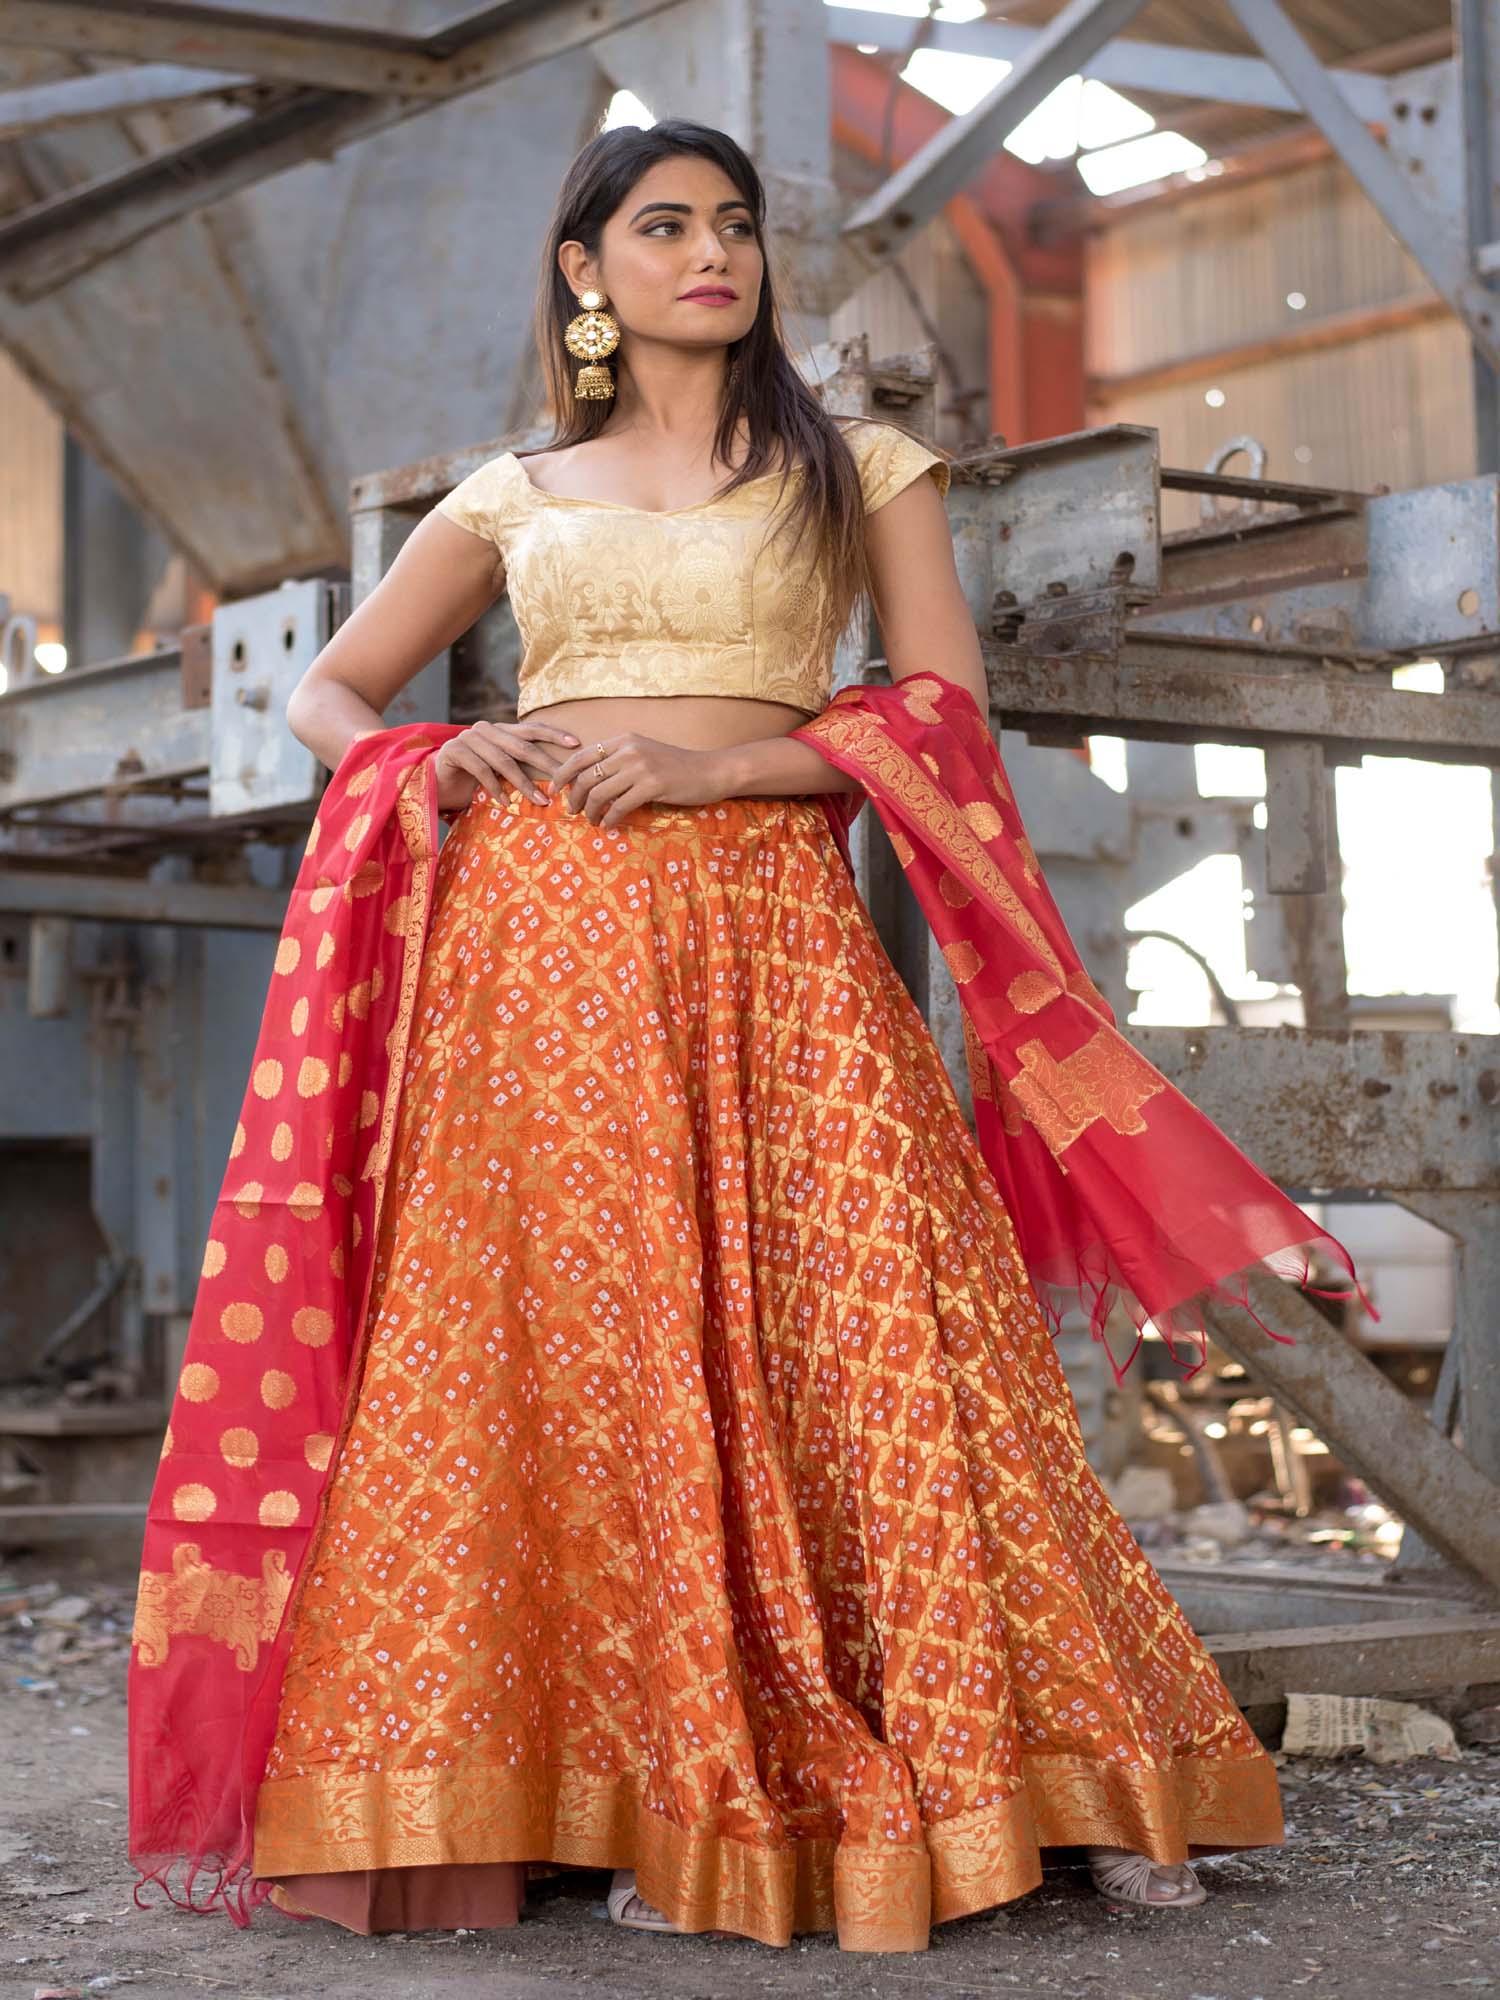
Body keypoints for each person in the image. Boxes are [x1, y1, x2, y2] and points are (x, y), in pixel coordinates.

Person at [127, 117, 1367, 1954]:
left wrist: (725, 768)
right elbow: (331, 687)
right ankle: (618, 1777)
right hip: (535, 957)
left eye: (733, 227)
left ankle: (1063, 1761)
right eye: (663, 227)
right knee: (571, 1342)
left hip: (775, 924)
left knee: (889, 1325)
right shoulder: (510, 494)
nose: (711, 253)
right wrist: (426, 757)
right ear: (585, 271)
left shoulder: (855, 463)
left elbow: (941, 713)